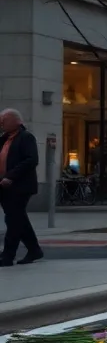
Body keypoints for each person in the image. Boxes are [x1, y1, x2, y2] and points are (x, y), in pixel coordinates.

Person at [1, 108, 43, 266]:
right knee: (18, 219)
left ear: (15, 121)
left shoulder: (26, 137)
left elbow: (31, 160)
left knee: (13, 220)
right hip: (4, 186)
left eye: (4, 121)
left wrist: (11, 176)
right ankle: (34, 249)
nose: (1, 124)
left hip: (19, 186)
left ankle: (8, 255)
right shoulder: (4, 139)